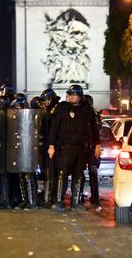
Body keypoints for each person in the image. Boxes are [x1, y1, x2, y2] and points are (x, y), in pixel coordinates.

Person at [47, 84, 100, 212]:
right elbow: (54, 128)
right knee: (62, 173)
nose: (70, 97)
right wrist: (51, 145)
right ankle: (59, 201)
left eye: (73, 94)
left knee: (78, 175)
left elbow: (94, 128)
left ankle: (75, 202)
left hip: (82, 148)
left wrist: (97, 144)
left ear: (79, 96)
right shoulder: (62, 108)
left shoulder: (87, 109)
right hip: (66, 147)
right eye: (69, 94)